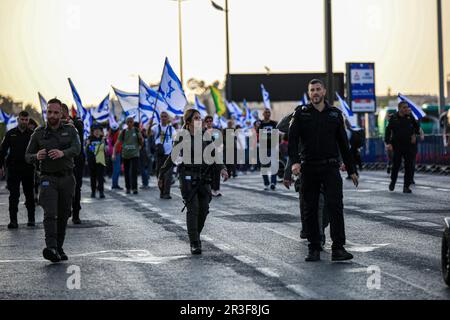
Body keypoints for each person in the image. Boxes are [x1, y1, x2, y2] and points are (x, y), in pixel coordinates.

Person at [289, 79, 358, 262]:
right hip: (309, 167)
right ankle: (314, 248)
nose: (315, 93)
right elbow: (293, 140)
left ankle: (338, 248)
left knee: (335, 207)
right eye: (312, 90)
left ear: (324, 91)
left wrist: (352, 170)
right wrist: (295, 163)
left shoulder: (335, 114)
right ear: (309, 93)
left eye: (318, 89)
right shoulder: (301, 114)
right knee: (310, 208)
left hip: (330, 167)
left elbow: (344, 144)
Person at [158, 109, 228, 254]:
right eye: (196, 118)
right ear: (188, 122)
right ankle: (195, 242)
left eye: (200, 118)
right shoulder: (183, 137)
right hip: (188, 176)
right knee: (193, 208)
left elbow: (214, 154)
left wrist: (223, 168)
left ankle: (195, 234)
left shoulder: (206, 135)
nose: (200, 120)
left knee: (204, 209)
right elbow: (172, 157)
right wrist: (162, 173)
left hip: (204, 177)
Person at [25, 98, 81, 263]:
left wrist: (63, 153)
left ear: (61, 113)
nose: (52, 115)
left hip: (67, 177)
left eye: (56, 112)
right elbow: (27, 155)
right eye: (49, 112)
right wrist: (36, 156)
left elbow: (77, 148)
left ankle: (59, 247)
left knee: (64, 214)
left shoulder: (70, 130)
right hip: (47, 178)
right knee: (50, 213)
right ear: (46, 112)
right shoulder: (39, 132)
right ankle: (51, 247)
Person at [0, 111, 36, 229]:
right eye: (22, 119)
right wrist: (1, 166)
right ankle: (13, 221)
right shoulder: (10, 134)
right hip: (14, 169)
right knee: (14, 196)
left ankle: (31, 219)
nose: (24, 122)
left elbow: (37, 151)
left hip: (28, 168)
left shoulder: (32, 134)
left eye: (26, 120)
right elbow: (3, 151)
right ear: (18, 119)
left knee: (29, 195)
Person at [385, 101, 421, 194]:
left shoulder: (410, 117)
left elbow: (417, 128)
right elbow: (388, 131)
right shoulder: (394, 118)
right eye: (404, 107)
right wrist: (388, 143)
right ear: (399, 108)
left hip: (409, 145)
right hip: (397, 146)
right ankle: (393, 182)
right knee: (396, 166)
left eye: (407, 107)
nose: (406, 109)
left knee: (409, 166)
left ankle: (406, 186)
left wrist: (414, 134)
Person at [61, 103, 84, 224]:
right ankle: (66, 209)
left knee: (76, 187)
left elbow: (80, 128)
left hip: (77, 160)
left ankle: (76, 213)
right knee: (63, 187)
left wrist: (72, 125)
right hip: (63, 161)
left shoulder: (76, 122)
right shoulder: (55, 126)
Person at [113, 116, 143, 195]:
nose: (129, 123)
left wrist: (140, 138)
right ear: (126, 123)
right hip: (125, 155)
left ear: (133, 123)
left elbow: (142, 143)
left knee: (134, 171)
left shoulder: (136, 131)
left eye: (131, 122)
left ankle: (134, 188)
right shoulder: (123, 132)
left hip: (135, 154)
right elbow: (117, 143)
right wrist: (113, 154)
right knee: (126, 172)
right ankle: (128, 188)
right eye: (128, 122)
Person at [151, 111, 174, 199]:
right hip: (160, 155)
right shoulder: (156, 127)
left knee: (168, 174)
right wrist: (149, 125)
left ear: (168, 118)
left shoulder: (172, 129)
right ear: (160, 118)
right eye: (162, 116)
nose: (164, 118)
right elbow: (148, 133)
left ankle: (166, 192)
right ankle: (162, 191)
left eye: (165, 116)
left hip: (169, 155)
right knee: (159, 174)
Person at [259, 109, 278, 190]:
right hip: (263, 148)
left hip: (273, 147)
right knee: (264, 166)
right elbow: (259, 135)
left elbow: (276, 134)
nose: (267, 114)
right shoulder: (260, 124)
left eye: (269, 112)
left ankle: (273, 182)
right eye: (266, 112)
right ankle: (266, 183)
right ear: (263, 114)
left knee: (274, 166)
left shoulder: (274, 123)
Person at [86, 124, 106, 198]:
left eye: (98, 130)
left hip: (100, 160)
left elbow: (104, 149)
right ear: (92, 131)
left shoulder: (102, 138)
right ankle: (93, 191)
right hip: (92, 160)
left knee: (100, 177)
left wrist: (102, 144)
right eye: (95, 130)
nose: (97, 132)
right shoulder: (90, 138)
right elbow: (88, 149)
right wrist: (93, 147)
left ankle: (101, 192)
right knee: (93, 177)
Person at [109, 123, 123, 190]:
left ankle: (115, 184)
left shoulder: (110, 134)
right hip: (116, 153)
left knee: (115, 170)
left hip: (113, 153)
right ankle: (115, 185)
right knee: (116, 170)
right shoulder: (117, 134)